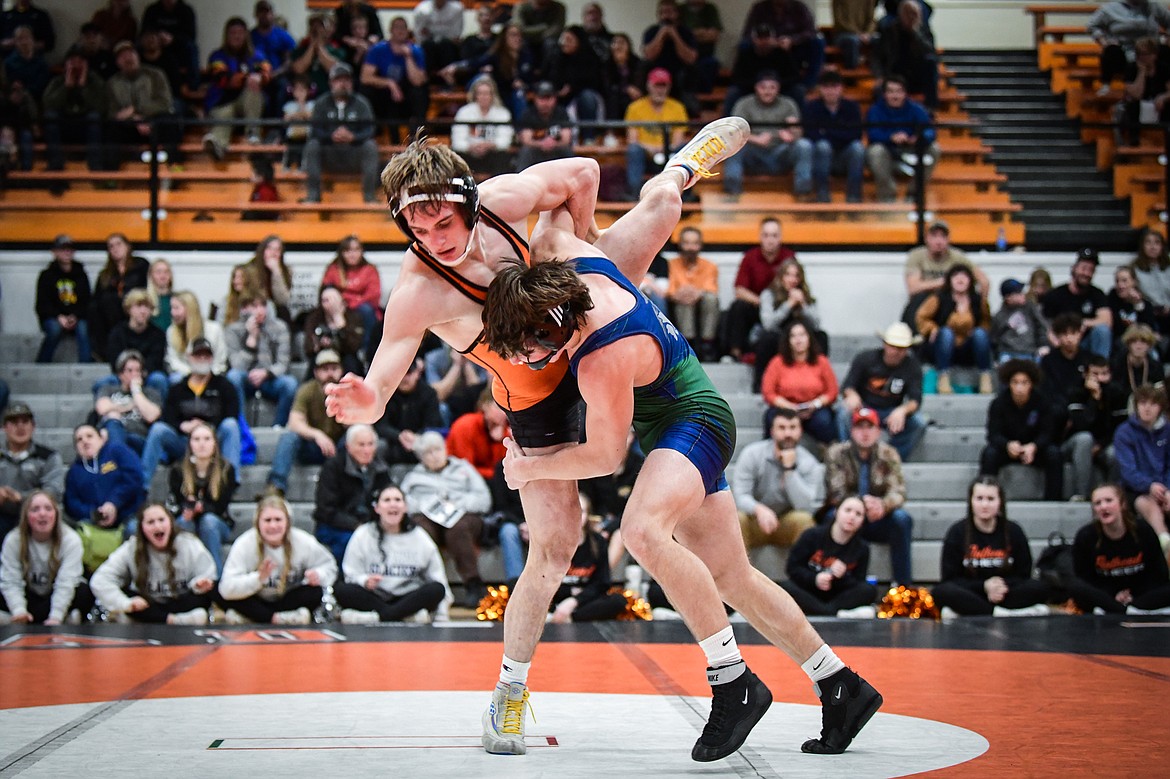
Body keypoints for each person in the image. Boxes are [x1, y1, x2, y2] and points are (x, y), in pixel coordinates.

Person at [324, 120, 749, 757]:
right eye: (419, 228)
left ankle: (684, 165)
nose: (434, 240)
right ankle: (509, 691)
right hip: (536, 399)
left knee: (661, 203)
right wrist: (364, 404)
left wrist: (587, 240)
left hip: (580, 326)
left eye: (445, 223)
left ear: (470, 202)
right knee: (554, 550)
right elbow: (383, 382)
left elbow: (582, 174)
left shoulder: (502, 203)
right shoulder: (418, 292)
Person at [483, 225, 882, 762]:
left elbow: (605, 458)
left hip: (692, 423)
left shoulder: (600, 355)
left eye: (534, 351)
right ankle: (840, 685)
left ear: (553, 318)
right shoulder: (579, 264)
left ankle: (731, 681)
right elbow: (569, 187)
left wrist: (530, 467)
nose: (533, 363)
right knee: (732, 577)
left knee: (643, 530)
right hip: (686, 424)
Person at [933, 476, 1052, 617]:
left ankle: (976, 611)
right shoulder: (957, 532)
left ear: (1000, 502)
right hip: (974, 592)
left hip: (1006, 593)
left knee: (1041, 587)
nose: (985, 505)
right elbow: (950, 578)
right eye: (979, 498)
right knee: (941, 591)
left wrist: (1000, 586)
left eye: (990, 499)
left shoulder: (1013, 530)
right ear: (971, 502)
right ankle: (1000, 613)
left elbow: (1023, 574)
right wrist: (984, 586)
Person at [824, 407, 915, 585]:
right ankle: (827, 577)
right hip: (850, 514)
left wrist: (883, 505)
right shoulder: (836, 453)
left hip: (877, 519)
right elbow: (836, 492)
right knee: (829, 517)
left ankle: (903, 586)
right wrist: (861, 507)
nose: (865, 433)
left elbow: (898, 491)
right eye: (860, 427)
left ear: (878, 431)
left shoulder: (889, 454)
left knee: (902, 519)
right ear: (852, 431)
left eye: (870, 427)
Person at [336, 483, 452, 624]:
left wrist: (442, 617)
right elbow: (351, 573)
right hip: (374, 596)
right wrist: (365, 581)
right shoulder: (363, 534)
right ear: (377, 508)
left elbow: (437, 578)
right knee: (342, 589)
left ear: (405, 507)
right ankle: (404, 616)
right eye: (387, 500)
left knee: (437, 589)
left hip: (406, 597)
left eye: (398, 500)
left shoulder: (420, 536)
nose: (393, 505)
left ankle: (378, 617)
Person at [401, 431, 492, 607]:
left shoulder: (463, 468)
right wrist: (427, 506)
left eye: (437, 450)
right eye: (428, 452)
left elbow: (484, 499)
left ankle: (473, 584)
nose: (434, 456)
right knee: (420, 529)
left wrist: (458, 503)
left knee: (457, 528)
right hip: (428, 516)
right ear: (421, 457)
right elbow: (404, 502)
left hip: (463, 515)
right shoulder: (414, 476)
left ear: (445, 449)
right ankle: (424, 585)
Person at [139, 337, 242, 491]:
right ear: (190, 358)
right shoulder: (177, 388)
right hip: (184, 441)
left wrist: (206, 428)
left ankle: (231, 481)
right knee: (159, 430)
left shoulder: (224, 386)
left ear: (212, 359)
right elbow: (168, 417)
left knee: (231, 426)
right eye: (198, 355)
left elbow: (232, 414)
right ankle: (142, 485)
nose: (202, 359)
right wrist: (183, 426)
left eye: (206, 356)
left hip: (213, 440)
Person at [219, 495, 338, 625]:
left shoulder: (303, 541)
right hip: (256, 599)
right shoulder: (244, 543)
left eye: (278, 520)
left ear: (287, 522)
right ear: (258, 523)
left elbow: (330, 566)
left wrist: (318, 575)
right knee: (217, 592)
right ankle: (274, 618)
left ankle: (255, 618)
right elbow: (226, 588)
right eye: (267, 520)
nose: (273, 525)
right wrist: (258, 578)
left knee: (314, 592)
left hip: (287, 599)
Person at [90, 503, 216, 624]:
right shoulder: (131, 548)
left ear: (170, 522)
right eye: (150, 522)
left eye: (161, 520)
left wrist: (199, 584)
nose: (157, 526)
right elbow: (100, 580)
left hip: (181, 601)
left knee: (207, 595)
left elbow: (208, 574)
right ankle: (173, 620)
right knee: (131, 598)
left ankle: (167, 619)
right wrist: (125, 603)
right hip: (149, 605)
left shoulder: (189, 543)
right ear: (142, 527)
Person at [1068, 483, 1170, 613]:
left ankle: (1131, 609)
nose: (1103, 507)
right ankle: (1122, 610)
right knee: (1076, 588)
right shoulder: (1086, 536)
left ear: (1122, 504)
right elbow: (1084, 578)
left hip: (1141, 595)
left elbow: (1158, 574)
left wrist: (1133, 595)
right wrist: (1113, 594)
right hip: (1106, 597)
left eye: (1109, 501)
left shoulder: (1143, 530)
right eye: (1098, 503)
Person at [733, 409, 821, 554]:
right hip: (756, 521)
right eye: (782, 428)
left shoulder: (809, 463)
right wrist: (759, 509)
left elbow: (806, 506)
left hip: (786, 523)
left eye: (793, 428)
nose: (787, 434)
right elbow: (740, 495)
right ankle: (735, 575)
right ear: (772, 431)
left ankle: (800, 574)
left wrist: (789, 470)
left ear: (800, 431)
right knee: (738, 518)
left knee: (804, 520)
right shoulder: (752, 454)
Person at [835, 323, 927, 461]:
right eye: (893, 347)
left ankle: (891, 459)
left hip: (890, 411)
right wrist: (852, 395)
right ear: (885, 345)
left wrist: (902, 410)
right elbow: (848, 386)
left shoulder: (912, 366)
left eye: (902, 348)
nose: (897, 352)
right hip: (864, 407)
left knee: (919, 422)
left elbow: (916, 399)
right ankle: (849, 457)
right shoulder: (865, 358)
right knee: (843, 412)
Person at [0, 490, 90, 625]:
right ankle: (17, 619)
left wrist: (56, 616)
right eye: (35, 510)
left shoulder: (71, 539)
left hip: (53, 599)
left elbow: (66, 582)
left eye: (48, 509)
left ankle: (63, 618)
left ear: (56, 514)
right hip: (28, 597)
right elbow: (10, 580)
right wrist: (19, 611)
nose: (42, 514)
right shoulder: (13, 539)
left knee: (84, 591)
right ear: (26, 516)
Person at [266, 350, 348, 497]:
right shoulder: (307, 390)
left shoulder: (348, 392)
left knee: (355, 439)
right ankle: (276, 486)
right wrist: (317, 435)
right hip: (314, 447)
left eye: (334, 369)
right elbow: (294, 422)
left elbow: (360, 427)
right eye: (325, 369)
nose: (330, 374)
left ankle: (354, 491)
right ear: (316, 372)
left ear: (341, 371)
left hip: (339, 449)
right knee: (289, 437)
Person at [780, 496, 877, 617]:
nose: (852, 517)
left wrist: (843, 576)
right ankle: (832, 613)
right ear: (836, 512)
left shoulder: (862, 548)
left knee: (869, 590)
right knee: (785, 587)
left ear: (863, 520)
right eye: (847, 510)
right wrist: (815, 579)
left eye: (858, 514)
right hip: (809, 591)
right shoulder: (812, 535)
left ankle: (824, 612)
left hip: (837, 596)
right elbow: (792, 568)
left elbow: (858, 582)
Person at [980, 359, 1063, 501]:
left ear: (1031, 384)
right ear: (1009, 383)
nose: (1019, 388)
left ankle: (1053, 500)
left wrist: (1034, 446)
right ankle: (986, 495)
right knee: (989, 454)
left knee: (1054, 454)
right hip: (1008, 449)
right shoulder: (998, 403)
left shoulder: (1043, 401)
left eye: (1024, 382)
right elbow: (993, 434)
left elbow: (1047, 433)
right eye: (1015, 382)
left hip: (1034, 449)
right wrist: (1007, 445)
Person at [723, 69, 813, 199]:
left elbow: (799, 134)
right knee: (732, 147)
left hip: (781, 152)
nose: (767, 91)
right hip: (754, 153)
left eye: (772, 87)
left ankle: (803, 193)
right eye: (763, 87)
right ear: (756, 87)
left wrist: (792, 134)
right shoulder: (744, 104)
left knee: (804, 145)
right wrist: (754, 139)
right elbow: (733, 132)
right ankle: (732, 193)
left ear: (778, 88)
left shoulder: (788, 104)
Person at [313, 424, 393, 563]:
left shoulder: (381, 468)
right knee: (352, 543)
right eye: (361, 445)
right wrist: (356, 525)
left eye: (370, 444)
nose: (367, 450)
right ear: (348, 446)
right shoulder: (333, 467)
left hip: (370, 525)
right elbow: (326, 509)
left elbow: (388, 494)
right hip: (336, 526)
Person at [302, 61, 379, 204]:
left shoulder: (362, 103)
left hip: (353, 153)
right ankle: (313, 196)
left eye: (347, 80)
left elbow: (370, 130)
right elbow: (315, 130)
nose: (343, 84)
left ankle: (369, 196)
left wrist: (353, 137)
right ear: (331, 83)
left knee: (370, 146)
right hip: (329, 154)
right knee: (312, 145)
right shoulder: (321, 103)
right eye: (339, 80)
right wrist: (331, 136)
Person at [546, 493, 628, 623]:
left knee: (618, 600)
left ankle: (571, 618)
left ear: (588, 515)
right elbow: (544, 581)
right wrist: (570, 592)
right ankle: (552, 615)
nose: (577, 516)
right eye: (572, 510)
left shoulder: (597, 541)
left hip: (583, 600)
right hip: (553, 597)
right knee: (516, 585)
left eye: (582, 511)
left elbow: (602, 583)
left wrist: (574, 601)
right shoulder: (552, 541)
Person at [723, 217, 797, 363]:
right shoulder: (750, 257)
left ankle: (789, 354)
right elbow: (739, 290)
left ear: (780, 237)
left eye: (774, 235)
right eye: (766, 235)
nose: (770, 240)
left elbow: (797, 284)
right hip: (756, 306)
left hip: (781, 308)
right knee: (738, 307)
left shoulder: (789, 257)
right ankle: (735, 353)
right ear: (760, 237)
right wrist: (763, 302)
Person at [168, 422, 236, 575]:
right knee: (183, 523)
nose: (201, 444)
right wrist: (186, 510)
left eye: (206, 439)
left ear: (215, 443)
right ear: (190, 444)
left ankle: (215, 579)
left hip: (217, 522)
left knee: (208, 522)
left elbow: (221, 506)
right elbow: (175, 503)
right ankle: (184, 578)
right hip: (188, 519)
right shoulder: (178, 470)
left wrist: (202, 508)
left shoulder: (226, 469)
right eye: (196, 439)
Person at [915, 264, 994, 394]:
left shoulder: (978, 300)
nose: (960, 280)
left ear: (970, 281)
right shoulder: (938, 298)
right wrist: (932, 328)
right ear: (949, 280)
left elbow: (986, 321)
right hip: (942, 346)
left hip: (968, 347)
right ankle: (943, 377)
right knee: (946, 333)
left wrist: (977, 331)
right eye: (956, 277)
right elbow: (921, 317)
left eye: (964, 277)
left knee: (980, 334)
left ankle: (985, 377)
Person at [201, 16, 271, 160]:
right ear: (226, 35)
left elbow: (266, 72)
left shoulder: (256, 55)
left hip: (247, 103)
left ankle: (253, 135)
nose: (237, 36)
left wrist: (259, 78)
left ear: (246, 35)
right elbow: (223, 79)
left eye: (240, 32)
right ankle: (217, 145)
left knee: (254, 88)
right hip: (222, 102)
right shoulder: (217, 56)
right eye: (233, 33)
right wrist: (248, 77)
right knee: (225, 114)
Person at [225, 292, 298, 427]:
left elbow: (283, 363)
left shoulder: (280, 327)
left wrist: (267, 373)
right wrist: (251, 340)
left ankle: (278, 426)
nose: (260, 310)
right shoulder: (233, 330)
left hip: (270, 378)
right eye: (254, 306)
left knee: (290, 384)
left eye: (263, 305)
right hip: (245, 377)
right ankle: (241, 428)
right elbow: (236, 366)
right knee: (233, 377)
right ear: (244, 308)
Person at [760, 318, 838, 444]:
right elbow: (768, 392)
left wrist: (815, 404)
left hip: (814, 409)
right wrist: (789, 407)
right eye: (793, 336)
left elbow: (832, 391)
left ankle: (828, 454)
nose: (798, 340)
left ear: (809, 339)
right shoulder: (777, 362)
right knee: (771, 417)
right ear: (788, 341)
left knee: (824, 421)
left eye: (802, 335)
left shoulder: (821, 361)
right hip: (785, 407)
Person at [1113, 383, 1170, 554]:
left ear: (1160, 407)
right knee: (1149, 504)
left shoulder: (1168, 431)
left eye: (1153, 404)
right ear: (1136, 405)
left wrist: (1167, 490)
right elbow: (1128, 471)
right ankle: (1165, 544)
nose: (1147, 408)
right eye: (1143, 403)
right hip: (1134, 490)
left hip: (1163, 487)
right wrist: (1149, 486)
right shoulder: (1124, 432)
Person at [903, 220, 988, 331]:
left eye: (943, 236)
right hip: (922, 305)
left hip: (949, 306)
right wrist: (943, 282)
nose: (939, 241)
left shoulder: (957, 257)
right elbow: (913, 288)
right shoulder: (917, 256)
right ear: (926, 238)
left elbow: (984, 281)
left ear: (948, 240)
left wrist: (980, 304)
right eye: (934, 236)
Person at [864, 76, 939, 203]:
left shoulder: (916, 109)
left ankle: (913, 193)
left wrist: (919, 138)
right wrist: (890, 137)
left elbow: (930, 131)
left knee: (935, 149)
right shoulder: (875, 110)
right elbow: (872, 134)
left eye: (899, 91)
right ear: (884, 94)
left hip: (910, 150)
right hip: (887, 151)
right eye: (891, 91)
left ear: (905, 93)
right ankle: (888, 195)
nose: (895, 95)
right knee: (875, 151)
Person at [754, 257, 823, 391]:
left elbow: (816, 324)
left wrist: (803, 305)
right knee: (766, 339)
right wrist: (788, 305)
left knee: (821, 337)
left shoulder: (807, 297)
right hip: (779, 336)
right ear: (781, 276)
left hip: (800, 337)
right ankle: (760, 384)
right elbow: (768, 324)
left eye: (796, 276)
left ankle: (817, 380)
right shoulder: (768, 294)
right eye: (788, 275)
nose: (792, 280)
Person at [106, 38, 178, 167]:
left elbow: (164, 102)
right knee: (111, 128)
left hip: (154, 122)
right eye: (123, 56)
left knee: (170, 120)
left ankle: (174, 167)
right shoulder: (112, 83)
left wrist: (137, 111)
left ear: (137, 56)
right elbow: (114, 113)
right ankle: (112, 175)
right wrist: (134, 119)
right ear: (117, 62)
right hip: (130, 126)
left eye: (130, 53)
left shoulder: (156, 74)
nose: (128, 58)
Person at [1064, 356, 1127, 499]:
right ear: (1085, 374)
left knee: (1115, 452)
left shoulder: (1117, 393)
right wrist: (1094, 399)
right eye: (1095, 374)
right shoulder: (1076, 392)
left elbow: (1120, 428)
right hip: (1076, 442)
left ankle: (1114, 496)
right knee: (1085, 440)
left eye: (1104, 374)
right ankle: (1082, 495)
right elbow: (1081, 425)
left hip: (1105, 442)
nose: (1100, 379)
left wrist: (1101, 444)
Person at [64, 423, 143, 538]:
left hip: (128, 515)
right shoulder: (74, 472)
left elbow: (135, 477)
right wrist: (94, 513)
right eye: (79, 440)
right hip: (92, 522)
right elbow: (71, 502)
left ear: (101, 438)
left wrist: (113, 503)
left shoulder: (117, 451)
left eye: (89, 436)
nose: (85, 441)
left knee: (134, 529)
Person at [0, 402, 65, 541]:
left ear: (33, 426)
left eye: (25, 421)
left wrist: (21, 497)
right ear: (4, 427)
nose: (20, 427)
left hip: (36, 517)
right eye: (13, 422)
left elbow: (53, 492)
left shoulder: (48, 456)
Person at [621, 68, 688, 199]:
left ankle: (684, 195)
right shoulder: (635, 108)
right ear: (649, 86)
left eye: (663, 86)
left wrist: (664, 149)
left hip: (670, 155)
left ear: (669, 87)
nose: (660, 90)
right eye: (657, 85)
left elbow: (677, 141)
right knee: (634, 150)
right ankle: (634, 194)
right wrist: (650, 149)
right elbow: (632, 139)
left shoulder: (678, 108)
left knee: (684, 148)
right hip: (645, 154)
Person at [360, 16, 429, 141]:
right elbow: (365, 77)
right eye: (397, 28)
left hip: (406, 97)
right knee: (366, 90)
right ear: (390, 30)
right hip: (385, 96)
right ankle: (372, 133)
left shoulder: (416, 50)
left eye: (403, 28)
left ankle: (416, 137)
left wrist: (408, 57)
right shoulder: (378, 49)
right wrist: (390, 83)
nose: (400, 31)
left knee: (420, 92)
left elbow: (418, 81)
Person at [41, 45, 106, 177]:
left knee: (94, 117)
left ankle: (94, 163)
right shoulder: (57, 81)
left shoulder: (95, 81)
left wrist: (83, 87)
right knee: (50, 116)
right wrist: (66, 88)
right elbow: (48, 105)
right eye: (72, 61)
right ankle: (55, 163)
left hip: (86, 128)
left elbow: (101, 107)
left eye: (80, 61)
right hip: (65, 127)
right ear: (66, 64)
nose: (76, 65)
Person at [1041, 248, 1113, 359]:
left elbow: (1106, 321)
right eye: (1083, 268)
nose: (1086, 273)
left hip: (1087, 345)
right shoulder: (1055, 295)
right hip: (1061, 344)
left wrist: (1084, 323)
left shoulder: (1097, 294)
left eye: (1091, 270)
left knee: (1102, 331)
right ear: (1074, 268)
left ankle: (1100, 368)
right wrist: (1060, 344)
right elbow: (1046, 326)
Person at [373, 356, 446, 467]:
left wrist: (416, 437)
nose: (404, 378)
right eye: (400, 373)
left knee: (433, 441)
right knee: (378, 445)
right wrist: (399, 435)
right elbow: (380, 424)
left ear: (417, 373)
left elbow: (433, 424)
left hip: (420, 440)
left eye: (409, 373)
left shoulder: (429, 394)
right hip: (393, 441)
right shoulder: (386, 393)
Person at [805, 69, 865, 203]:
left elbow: (856, 134)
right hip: (820, 157)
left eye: (834, 86)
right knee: (823, 146)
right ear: (820, 89)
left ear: (841, 88)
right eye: (826, 87)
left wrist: (826, 132)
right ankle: (822, 195)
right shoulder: (812, 107)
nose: (830, 91)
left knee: (858, 148)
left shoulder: (852, 107)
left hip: (845, 155)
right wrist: (839, 134)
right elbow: (810, 134)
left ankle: (854, 197)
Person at [89, 233, 150, 364]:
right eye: (111, 246)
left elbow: (144, 289)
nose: (115, 248)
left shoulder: (140, 265)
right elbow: (97, 298)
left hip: (133, 308)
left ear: (128, 246)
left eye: (118, 244)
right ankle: (103, 352)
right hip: (110, 316)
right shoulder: (105, 274)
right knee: (95, 308)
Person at [35, 234, 92, 364]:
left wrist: (75, 316)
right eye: (62, 249)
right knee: (54, 329)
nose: (67, 252)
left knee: (84, 329)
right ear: (54, 252)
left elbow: (87, 301)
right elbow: (42, 304)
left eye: (70, 249)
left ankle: (85, 366)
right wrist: (58, 316)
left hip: (77, 317)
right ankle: (42, 364)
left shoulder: (81, 275)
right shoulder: (46, 275)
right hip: (54, 317)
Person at [1088, 0, 1170, 90]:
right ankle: (1106, 86)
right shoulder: (1109, 9)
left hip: (1150, 50)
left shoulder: (1154, 7)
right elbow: (1093, 26)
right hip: (1123, 51)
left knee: (1165, 50)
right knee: (1110, 50)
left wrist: (1167, 39)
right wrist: (1104, 42)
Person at [103, 288, 169, 400]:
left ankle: (158, 414)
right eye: (138, 306)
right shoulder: (117, 333)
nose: (143, 311)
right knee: (103, 383)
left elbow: (156, 361)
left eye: (147, 307)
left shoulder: (158, 334)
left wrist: (139, 375)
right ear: (129, 309)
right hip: (123, 375)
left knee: (159, 379)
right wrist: (129, 375)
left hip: (147, 375)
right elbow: (115, 360)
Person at [665, 226, 720, 361]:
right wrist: (679, 295)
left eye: (694, 243)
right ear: (680, 244)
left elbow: (711, 288)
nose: (690, 248)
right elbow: (669, 289)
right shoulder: (671, 264)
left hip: (701, 301)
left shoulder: (710, 266)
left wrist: (696, 293)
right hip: (679, 303)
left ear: (700, 245)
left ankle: (708, 344)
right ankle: (687, 344)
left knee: (711, 299)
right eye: (687, 243)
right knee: (683, 303)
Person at [94, 349, 163, 455]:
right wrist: (129, 406)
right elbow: (102, 409)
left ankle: (117, 461)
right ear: (120, 374)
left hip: (137, 438)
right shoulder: (108, 389)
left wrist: (136, 391)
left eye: (138, 370)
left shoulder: (150, 393)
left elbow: (151, 416)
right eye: (130, 371)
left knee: (114, 418)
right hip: (110, 434)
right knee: (113, 420)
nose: (135, 374)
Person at [874, 0, 938, 107]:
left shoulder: (923, 31)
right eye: (907, 13)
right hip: (895, 73)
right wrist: (879, 75)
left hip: (916, 74)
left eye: (913, 13)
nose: (910, 17)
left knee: (930, 62)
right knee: (879, 88)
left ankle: (931, 109)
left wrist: (915, 32)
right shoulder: (889, 30)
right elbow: (877, 56)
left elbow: (929, 51)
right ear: (900, 14)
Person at [545, 24, 604, 142]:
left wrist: (572, 87)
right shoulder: (556, 56)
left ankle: (589, 138)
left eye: (569, 40)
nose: (564, 43)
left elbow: (594, 81)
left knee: (587, 97)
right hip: (560, 98)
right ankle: (555, 139)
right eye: (563, 39)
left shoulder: (589, 57)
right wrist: (558, 91)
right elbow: (549, 78)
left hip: (581, 96)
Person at [451, 74, 515, 178]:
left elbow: (505, 141)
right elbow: (457, 141)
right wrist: (471, 147)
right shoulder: (464, 112)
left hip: (493, 154)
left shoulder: (503, 114)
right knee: (457, 158)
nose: (483, 97)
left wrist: (490, 145)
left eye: (487, 93)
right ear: (475, 95)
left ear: (492, 95)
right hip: (469, 154)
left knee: (503, 157)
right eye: (480, 93)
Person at [167, 290, 228, 381]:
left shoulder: (214, 329)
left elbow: (220, 360)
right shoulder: (171, 331)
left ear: (190, 309)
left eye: (176, 308)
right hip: (185, 377)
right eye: (171, 308)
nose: (172, 313)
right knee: (175, 379)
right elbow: (174, 361)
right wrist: (193, 375)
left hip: (212, 375)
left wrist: (206, 375)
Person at [514, 80, 574, 171]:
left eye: (548, 98)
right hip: (535, 152)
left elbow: (566, 139)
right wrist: (542, 144)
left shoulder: (561, 113)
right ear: (535, 99)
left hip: (556, 152)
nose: (545, 103)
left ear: (554, 99)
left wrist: (553, 143)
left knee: (566, 150)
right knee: (526, 151)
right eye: (541, 98)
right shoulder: (528, 114)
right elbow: (526, 139)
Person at [991, 278, 1049, 363]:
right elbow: (994, 339)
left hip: (1031, 352)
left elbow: (1041, 326)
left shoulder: (1030, 308)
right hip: (1008, 353)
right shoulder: (999, 316)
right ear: (1008, 297)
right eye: (1018, 293)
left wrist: (1043, 344)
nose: (1023, 295)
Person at [290, 13, 342, 98]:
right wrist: (312, 46)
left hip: (328, 92)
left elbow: (333, 69)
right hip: (305, 95)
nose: (317, 29)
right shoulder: (300, 50)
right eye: (313, 26)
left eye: (321, 26)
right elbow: (299, 69)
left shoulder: (336, 49)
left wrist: (319, 47)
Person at [1108, 265, 1159, 349]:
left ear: (1134, 282)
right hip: (1120, 343)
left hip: (1142, 343)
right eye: (1117, 281)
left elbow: (1148, 328)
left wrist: (1138, 305)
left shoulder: (1145, 304)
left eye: (1124, 281)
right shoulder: (1111, 300)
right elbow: (1115, 328)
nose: (1120, 285)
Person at [1132, 227, 1170, 330]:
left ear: (1162, 246)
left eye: (1157, 243)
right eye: (1148, 243)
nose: (1153, 247)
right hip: (1149, 316)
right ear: (1142, 246)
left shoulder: (1168, 268)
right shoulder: (1134, 269)